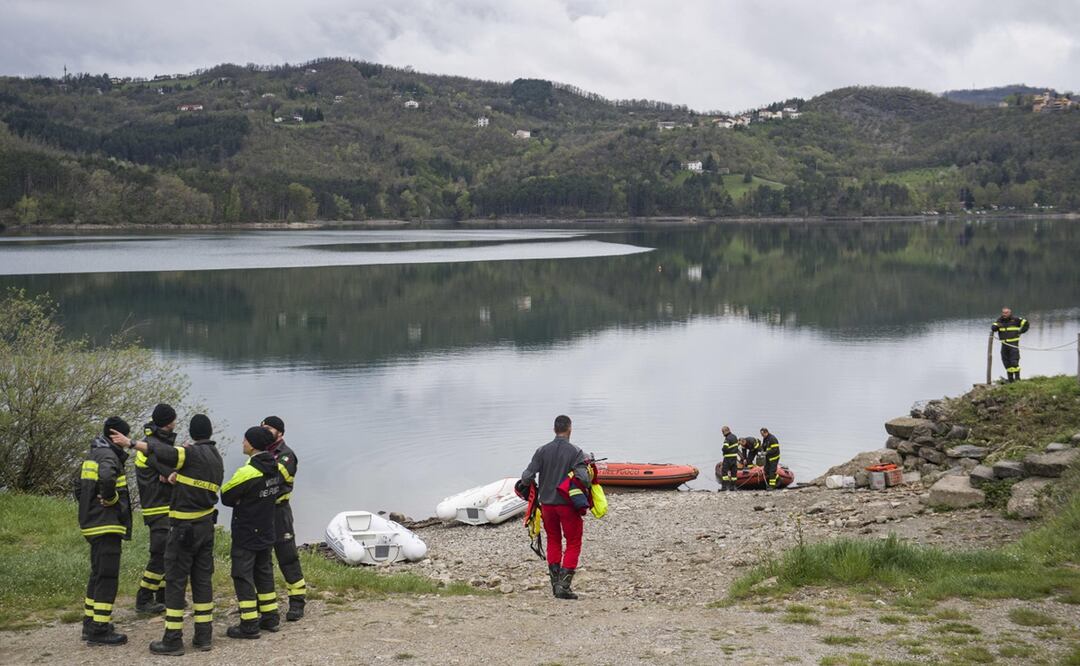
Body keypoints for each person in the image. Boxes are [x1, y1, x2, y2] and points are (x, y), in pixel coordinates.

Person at [111, 414, 224, 655]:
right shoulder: (216, 457)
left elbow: (158, 450)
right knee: (203, 581)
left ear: (193, 435)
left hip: (184, 529)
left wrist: (129, 443)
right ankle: (204, 637)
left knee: (174, 582)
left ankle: (172, 640)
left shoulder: (188, 453)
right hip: (206, 527)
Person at [221, 426, 284, 639]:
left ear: (253, 444)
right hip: (267, 528)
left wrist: (242, 499)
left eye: (244, 440)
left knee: (242, 574)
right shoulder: (274, 466)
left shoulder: (248, 471)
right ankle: (270, 618)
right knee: (264, 573)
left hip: (247, 530)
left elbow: (226, 496)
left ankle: (249, 624)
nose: (242, 444)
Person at [519, 414, 590, 600]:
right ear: (570, 429)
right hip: (567, 505)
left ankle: (554, 585)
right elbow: (584, 479)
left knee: (553, 540)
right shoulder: (576, 452)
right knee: (573, 542)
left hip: (547, 505)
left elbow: (526, 477)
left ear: (554, 430)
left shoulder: (541, 451)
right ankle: (564, 586)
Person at [78, 416, 134, 646]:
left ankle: (90, 622)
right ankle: (99, 630)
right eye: (123, 437)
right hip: (107, 525)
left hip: (93, 523)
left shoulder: (93, 453)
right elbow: (107, 478)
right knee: (107, 577)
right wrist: (110, 500)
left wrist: (88, 505)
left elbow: (77, 486)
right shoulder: (109, 456)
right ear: (115, 435)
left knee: (97, 574)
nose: (125, 441)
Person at [134, 403, 178, 614]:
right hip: (156, 506)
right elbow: (167, 472)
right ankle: (144, 597)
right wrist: (169, 473)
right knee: (159, 553)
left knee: (168, 552)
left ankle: (163, 595)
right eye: (173, 420)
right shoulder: (148, 446)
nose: (175, 423)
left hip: (165, 505)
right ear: (168, 422)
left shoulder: (158, 442)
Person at [262, 415, 306, 621]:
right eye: (262, 427)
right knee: (262, 560)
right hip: (261, 512)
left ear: (280, 432)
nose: (265, 431)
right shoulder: (260, 453)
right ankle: (267, 607)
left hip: (279, 512)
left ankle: (297, 603)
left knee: (287, 557)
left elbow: (273, 480)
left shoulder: (286, 455)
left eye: (269, 428)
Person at [992, 307, 1029, 382]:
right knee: (1006, 362)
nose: (1004, 314)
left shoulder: (1016, 320)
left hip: (1013, 344)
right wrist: (996, 326)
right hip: (1004, 345)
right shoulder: (1000, 320)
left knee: (1014, 361)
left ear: (1010, 313)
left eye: (1006, 313)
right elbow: (993, 327)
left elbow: (1026, 323)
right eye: (1003, 312)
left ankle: (1017, 379)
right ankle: (1011, 380)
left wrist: (1021, 331)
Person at [719, 426, 739, 491]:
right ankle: (732, 487)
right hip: (734, 457)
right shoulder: (735, 437)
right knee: (734, 473)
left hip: (728, 458)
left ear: (725, 431)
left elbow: (725, 448)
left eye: (723, 432)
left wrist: (722, 450)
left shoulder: (727, 438)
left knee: (724, 472)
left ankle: (724, 488)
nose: (722, 434)